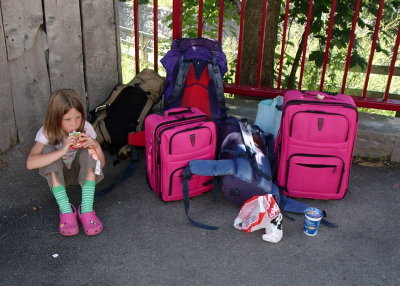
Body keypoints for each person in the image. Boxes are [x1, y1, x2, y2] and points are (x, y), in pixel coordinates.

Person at [26, 89, 106, 236]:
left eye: (78, 117)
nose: (74, 124)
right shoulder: (47, 131)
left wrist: (96, 146)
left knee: (89, 150)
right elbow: (30, 163)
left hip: (80, 174)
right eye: (67, 119)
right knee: (48, 151)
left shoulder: (86, 128)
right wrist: (62, 151)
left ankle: (86, 209)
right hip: (61, 175)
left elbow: (101, 164)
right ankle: (66, 209)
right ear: (56, 118)